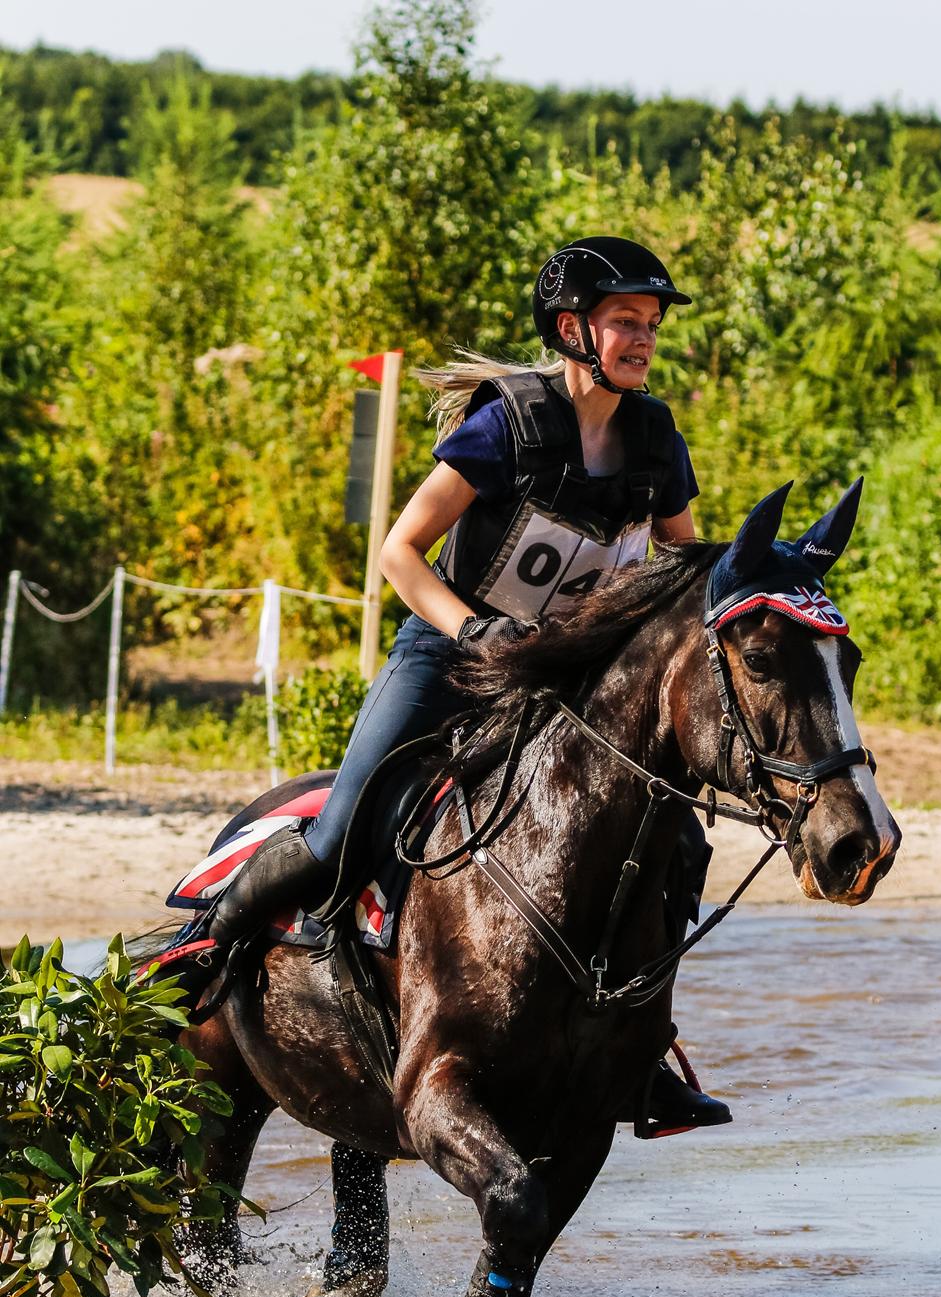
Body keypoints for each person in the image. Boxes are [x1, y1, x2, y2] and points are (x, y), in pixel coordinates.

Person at [156, 236, 726, 1134]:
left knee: (674, 841)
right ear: (573, 327)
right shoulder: (508, 424)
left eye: (651, 325)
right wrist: (475, 628)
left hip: (561, 689)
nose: (644, 339)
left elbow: (684, 566)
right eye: (626, 321)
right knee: (344, 828)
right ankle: (203, 954)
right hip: (447, 657)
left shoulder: (655, 438)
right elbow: (399, 551)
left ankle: (639, 1047)